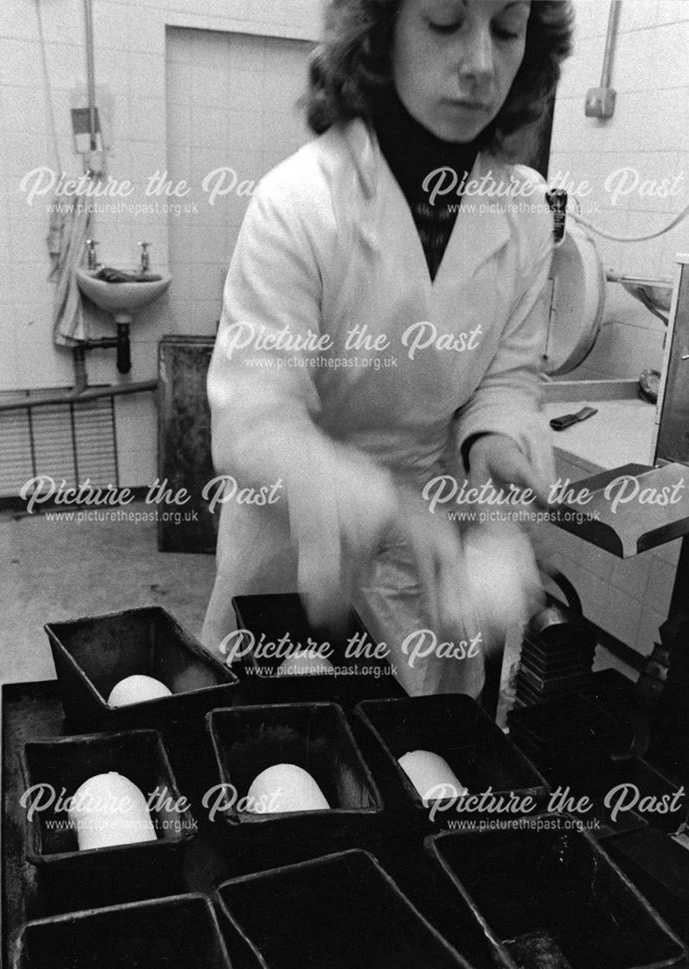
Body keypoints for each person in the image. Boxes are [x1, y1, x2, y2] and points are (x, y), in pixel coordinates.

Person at [202, 0, 574, 698]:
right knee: (276, 758)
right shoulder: (299, 201)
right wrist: (386, 507)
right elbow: (253, 421)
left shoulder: (525, 211)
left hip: (429, 563)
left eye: (506, 28)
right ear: (380, 31)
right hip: (293, 540)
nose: (479, 64)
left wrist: (493, 442)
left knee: (417, 767)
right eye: (444, 23)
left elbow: (506, 377)